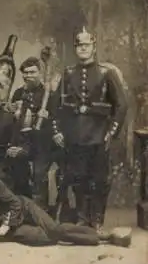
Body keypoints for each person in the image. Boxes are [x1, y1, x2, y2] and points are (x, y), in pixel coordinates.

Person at [0, 149, 132, 247]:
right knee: (45, 239)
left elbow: (15, 203)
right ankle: (96, 237)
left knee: (54, 230)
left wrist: (3, 227)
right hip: (1, 229)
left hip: (23, 209)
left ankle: (104, 238)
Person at [50, 27, 128, 234]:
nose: (82, 48)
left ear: (93, 47)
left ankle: (97, 220)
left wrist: (112, 131)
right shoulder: (68, 73)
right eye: (79, 45)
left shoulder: (106, 73)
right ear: (75, 49)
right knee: (78, 177)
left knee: (100, 180)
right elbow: (55, 105)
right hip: (74, 135)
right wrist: (57, 130)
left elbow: (121, 105)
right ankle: (82, 219)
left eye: (86, 44)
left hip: (99, 134)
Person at [11, 56, 57, 211]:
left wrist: (47, 117)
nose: (28, 76)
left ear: (40, 73)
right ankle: (22, 210)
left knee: (39, 175)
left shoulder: (48, 93)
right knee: (19, 173)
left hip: (42, 142)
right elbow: (12, 119)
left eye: (32, 72)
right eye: (25, 73)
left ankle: (40, 212)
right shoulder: (18, 93)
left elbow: (58, 118)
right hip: (23, 141)